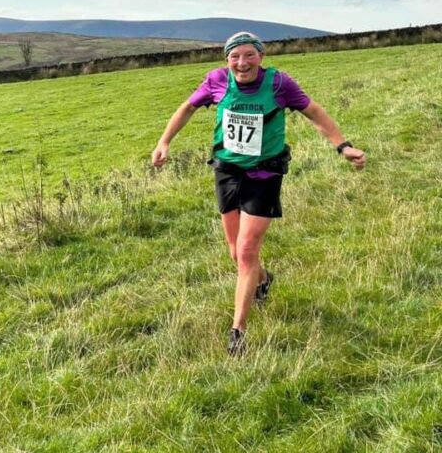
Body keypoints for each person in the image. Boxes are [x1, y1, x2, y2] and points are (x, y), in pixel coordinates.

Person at [151, 31, 366, 355]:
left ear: (261, 57)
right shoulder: (217, 81)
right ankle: (263, 280)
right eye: (235, 56)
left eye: (249, 55)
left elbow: (315, 112)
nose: (242, 62)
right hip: (227, 171)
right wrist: (164, 142)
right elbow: (187, 108)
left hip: (264, 173)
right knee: (236, 253)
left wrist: (343, 146)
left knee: (247, 250)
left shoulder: (279, 84)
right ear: (227, 60)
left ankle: (238, 331)